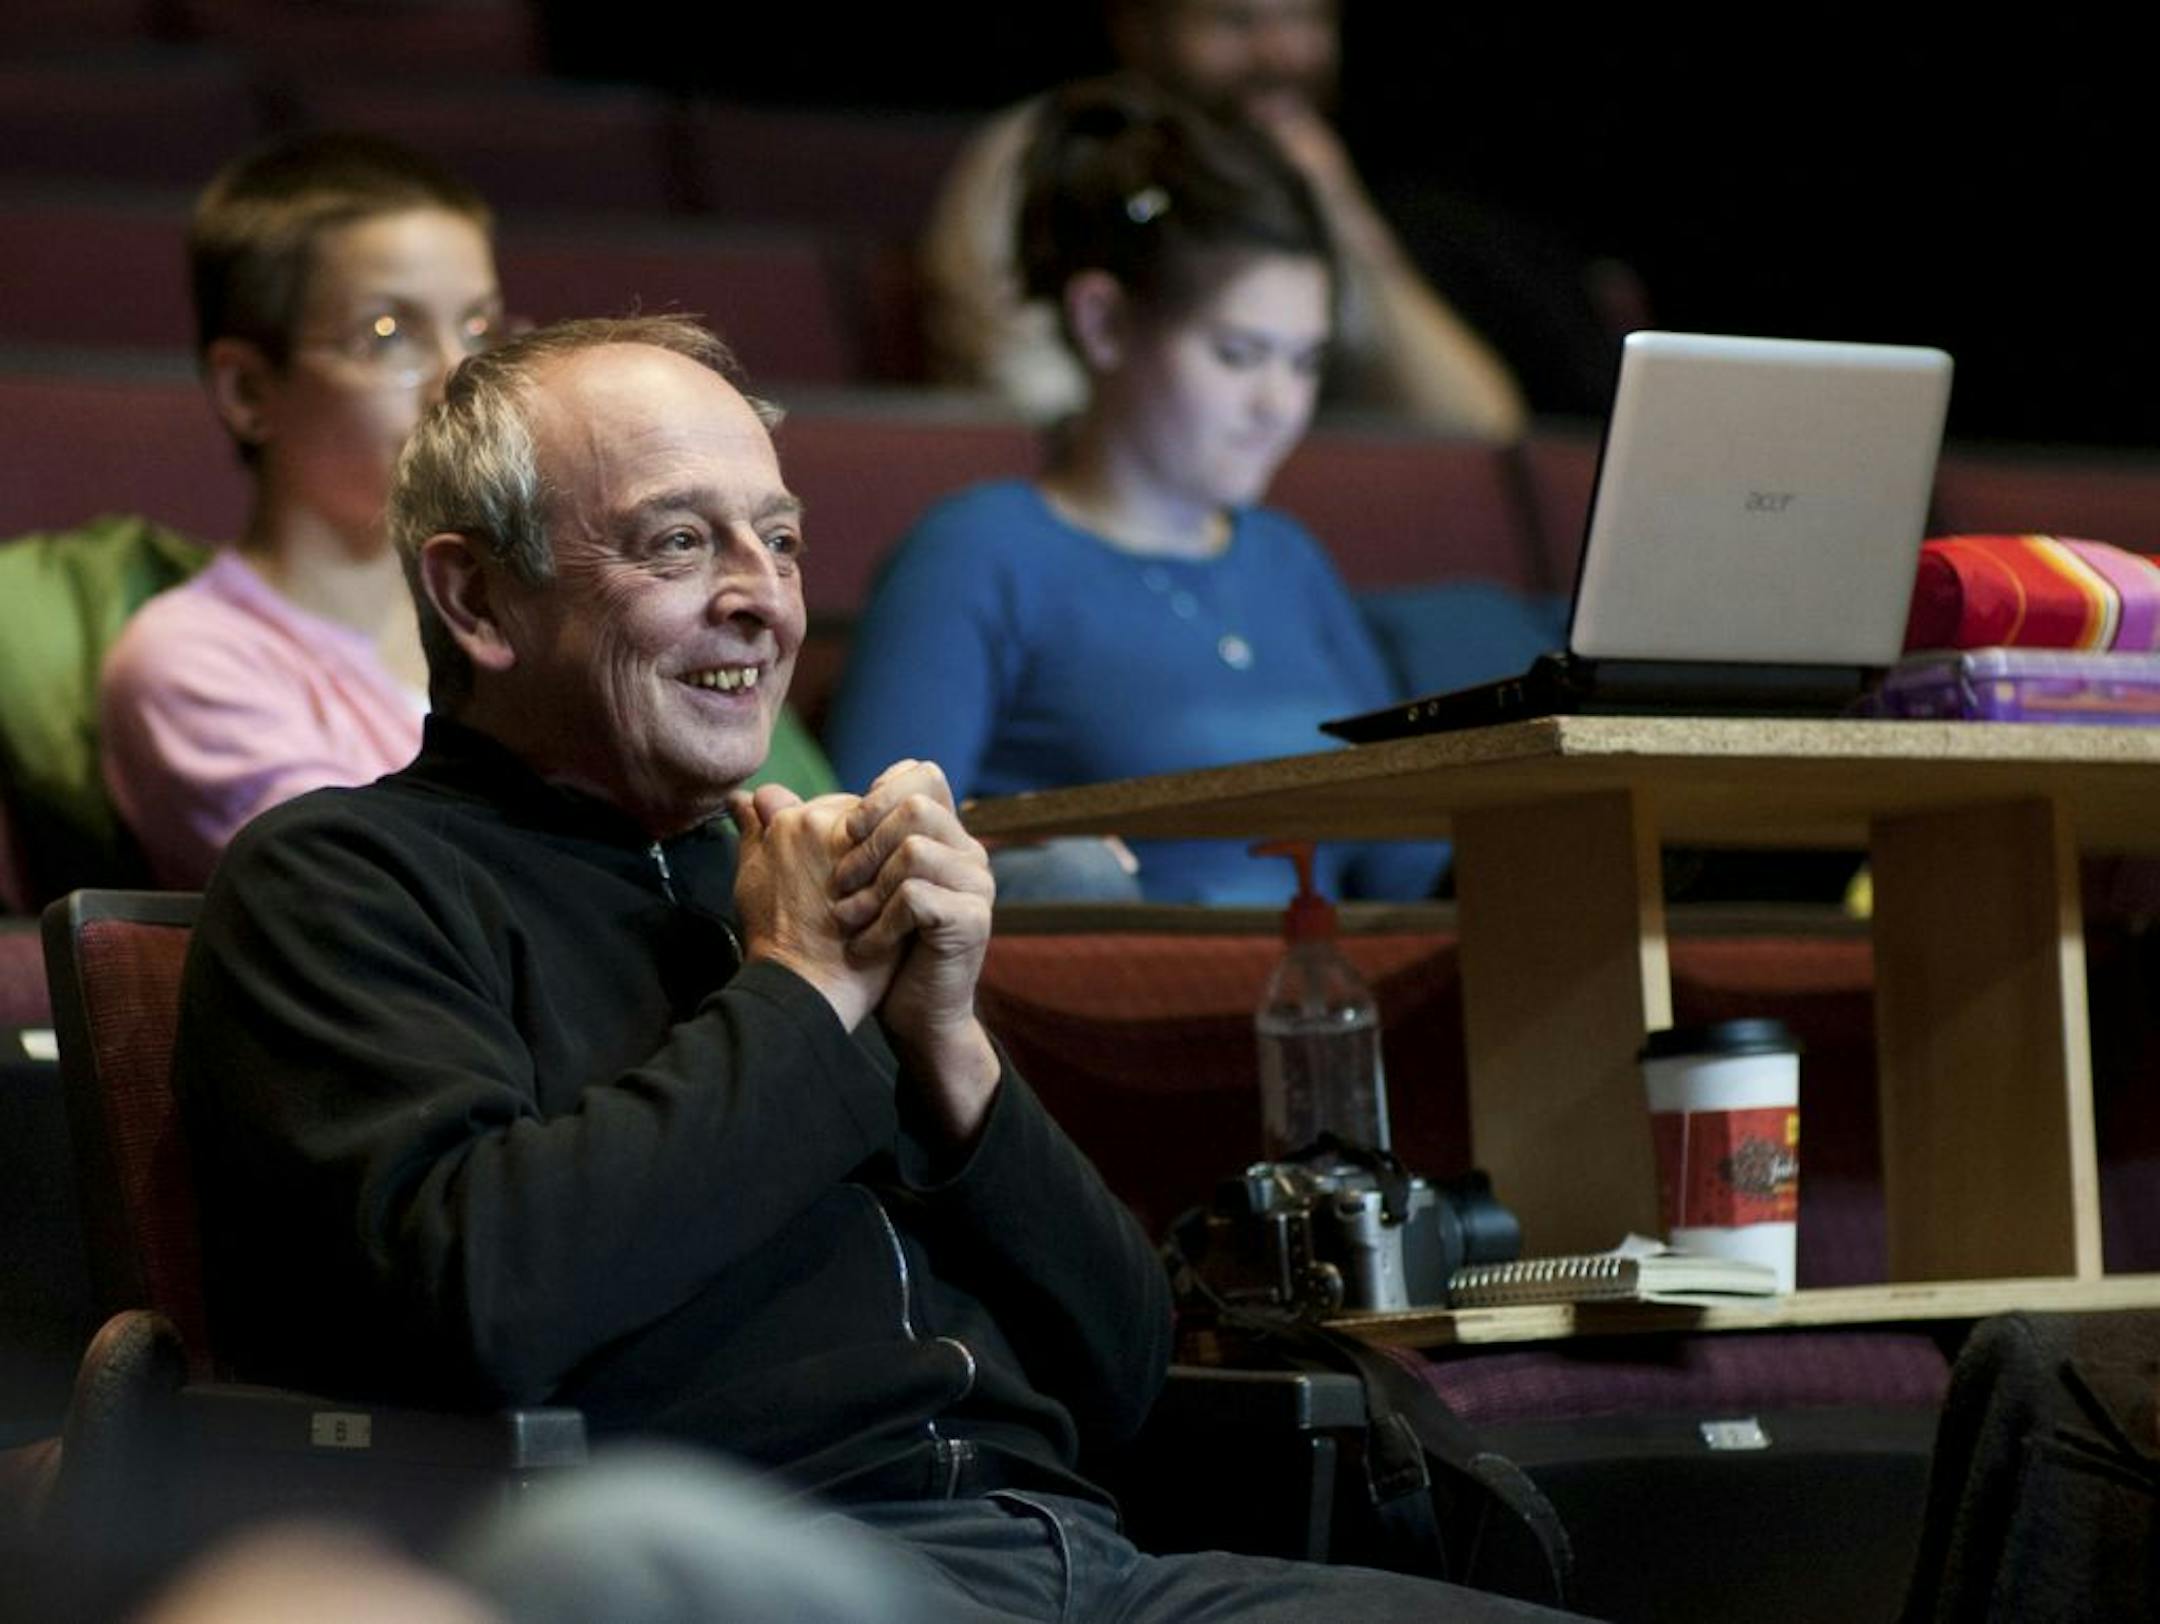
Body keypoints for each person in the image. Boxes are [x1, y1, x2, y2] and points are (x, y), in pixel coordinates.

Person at [174, 313, 1576, 1622]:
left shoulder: (804, 893)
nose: (764, 603)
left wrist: (951, 1045)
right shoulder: (346, 880)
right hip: (736, 1563)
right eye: (679, 545)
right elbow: (480, 1304)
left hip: (1085, 1565)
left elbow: (1129, 1368)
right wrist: (798, 997)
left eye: (778, 543)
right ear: (477, 598)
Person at [94, 133, 832, 891]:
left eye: (479, 328)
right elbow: (371, 897)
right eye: (388, 335)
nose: (462, 374)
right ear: (248, 391)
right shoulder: (193, 657)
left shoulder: (578, 617)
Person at [829, 81, 1449, 904]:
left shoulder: (1286, 558)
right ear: (1103, 323)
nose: (1279, 406)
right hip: (1096, 1012)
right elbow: (867, 861)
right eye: (1238, 354)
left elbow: (1405, 861)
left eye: (1304, 362)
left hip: (1324, 1001)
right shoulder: (977, 554)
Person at [920, 0, 1526, 439]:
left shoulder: (1308, 182)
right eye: (1235, 21)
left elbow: (1478, 428)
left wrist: (1349, 222)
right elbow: (1021, 405)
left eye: (1305, 19)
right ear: (1138, 29)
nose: (1279, 53)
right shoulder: (1053, 158)